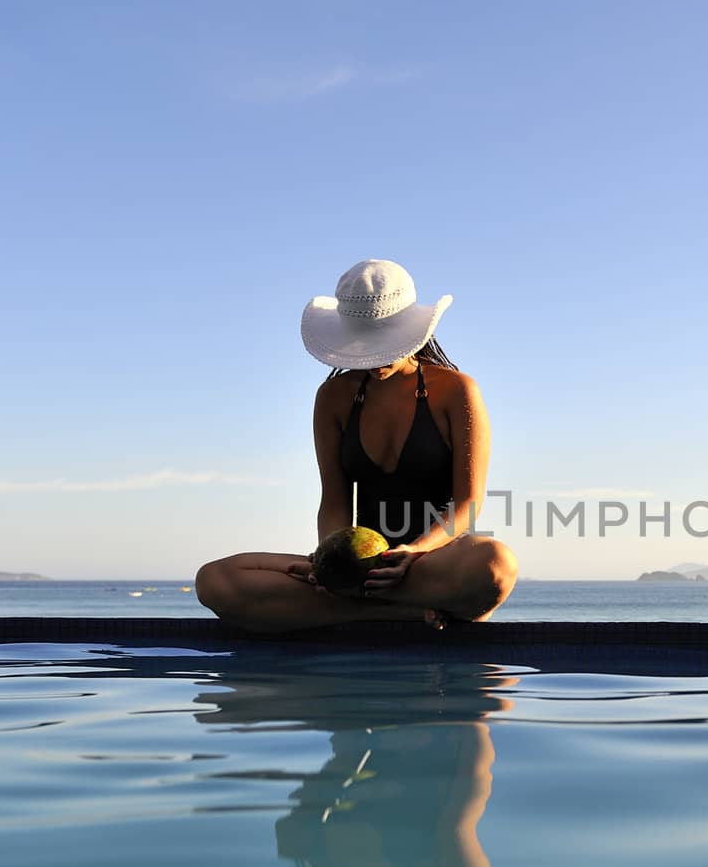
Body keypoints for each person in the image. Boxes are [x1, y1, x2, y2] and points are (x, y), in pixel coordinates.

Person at [196, 259, 517, 632]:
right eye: (364, 344)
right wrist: (330, 566)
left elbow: (467, 503)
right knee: (215, 580)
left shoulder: (456, 391)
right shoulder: (334, 397)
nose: (375, 359)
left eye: (385, 345)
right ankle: (396, 612)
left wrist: (414, 553)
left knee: (496, 563)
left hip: (431, 565)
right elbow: (334, 499)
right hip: (358, 573)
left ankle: (354, 608)